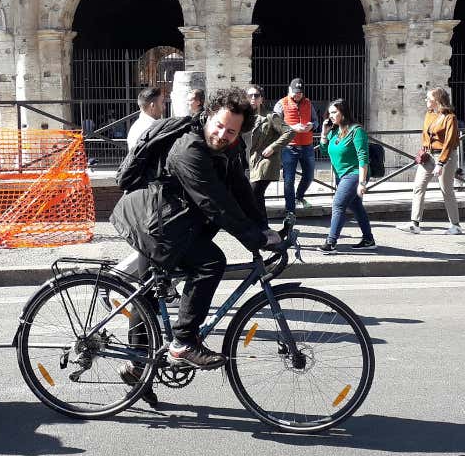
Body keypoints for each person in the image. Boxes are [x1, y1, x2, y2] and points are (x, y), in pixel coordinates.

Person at [111, 88, 281, 369]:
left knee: (152, 292)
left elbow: (240, 190)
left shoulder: (231, 146)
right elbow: (215, 202)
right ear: (209, 116)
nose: (223, 135)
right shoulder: (189, 149)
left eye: (231, 131)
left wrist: (264, 228)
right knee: (209, 264)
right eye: (219, 126)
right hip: (152, 221)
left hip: (173, 219)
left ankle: (137, 370)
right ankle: (181, 344)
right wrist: (255, 238)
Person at [398, 87, 462, 235]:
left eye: (429, 98)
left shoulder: (450, 117)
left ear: (437, 100)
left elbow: (450, 142)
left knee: (446, 190)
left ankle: (456, 225)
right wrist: (424, 150)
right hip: (428, 156)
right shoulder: (429, 114)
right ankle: (415, 223)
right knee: (418, 186)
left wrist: (441, 163)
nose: (426, 100)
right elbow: (425, 135)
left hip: (445, 156)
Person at [319, 98, 375, 251]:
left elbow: (363, 157)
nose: (330, 116)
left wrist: (362, 183)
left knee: (338, 204)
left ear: (343, 112)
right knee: (356, 206)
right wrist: (324, 134)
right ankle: (368, 239)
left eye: (334, 112)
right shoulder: (335, 132)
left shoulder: (357, 131)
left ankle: (331, 242)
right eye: (329, 113)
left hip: (355, 174)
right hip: (341, 175)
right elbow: (324, 151)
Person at [244, 85, 293, 227]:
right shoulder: (243, 117)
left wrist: (273, 147)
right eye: (250, 95)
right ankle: (260, 227)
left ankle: (262, 227)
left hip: (264, 161)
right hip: (247, 162)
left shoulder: (270, 117)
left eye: (256, 95)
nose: (253, 98)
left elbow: (289, 132)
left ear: (262, 99)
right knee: (254, 196)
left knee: (255, 193)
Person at [273, 77, 320, 223]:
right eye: (294, 92)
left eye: (299, 93)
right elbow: (275, 124)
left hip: (307, 146)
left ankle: (299, 196)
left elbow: (316, 121)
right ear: (289, 90)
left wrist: (311, 126)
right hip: (289, 147)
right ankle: (290, 211)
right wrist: (293, 128)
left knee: (309, 176)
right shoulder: (281, 104)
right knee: (288, 180)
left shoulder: (308, 103)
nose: (297, 95)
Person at [126, 86, 163, 151]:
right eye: (162, 103)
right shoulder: (150, 129)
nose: (164, 107)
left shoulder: (138, 125)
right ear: (152, 106)